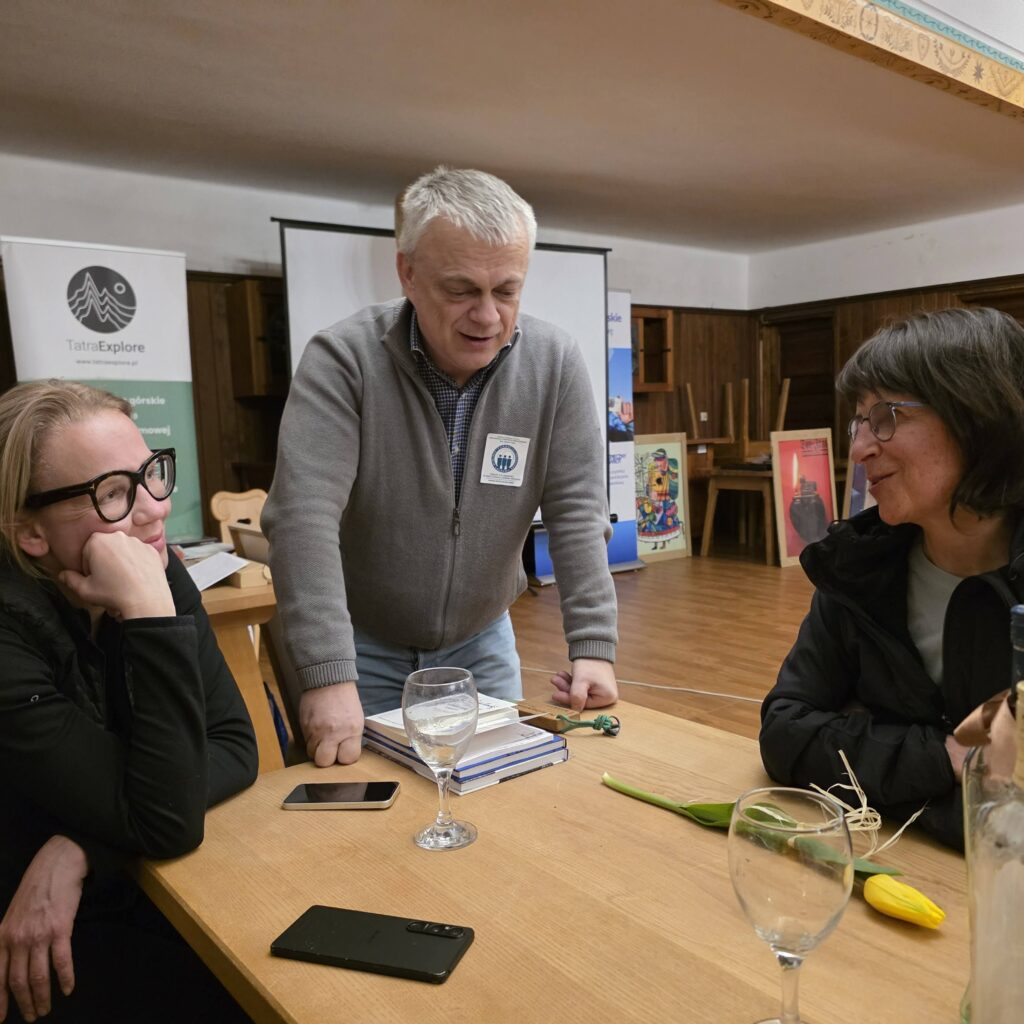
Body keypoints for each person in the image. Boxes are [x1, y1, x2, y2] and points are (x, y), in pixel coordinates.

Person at [263, 166, 619, 767]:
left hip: (482, 642)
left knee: (494, 798)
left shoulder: (554, 363)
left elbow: (577, 510)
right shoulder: (343, 359)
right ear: (407, 272)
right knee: (372, 807)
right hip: (361, 647)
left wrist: (594, 644)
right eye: (461, 290)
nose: (487, 316)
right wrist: (328, 673)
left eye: (506, 291)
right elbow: (303, 518)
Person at [0, 380, 258, 1022]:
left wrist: (82, 847)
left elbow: (234, 745)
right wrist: (149, 615)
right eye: (113, 492)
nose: (154, 510)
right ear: (30, 532)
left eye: (151, 474)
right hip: (29, 933)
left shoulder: (152, 565)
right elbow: (168, 820)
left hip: (127, 884)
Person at [760, 307, 1024, 850]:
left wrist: (873, 752)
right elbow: (785, 732)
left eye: (885, 417)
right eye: (859, 423)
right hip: (892, 866)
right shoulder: (859, 569)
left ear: (976, 414)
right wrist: (945, 757)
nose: (858, 449)